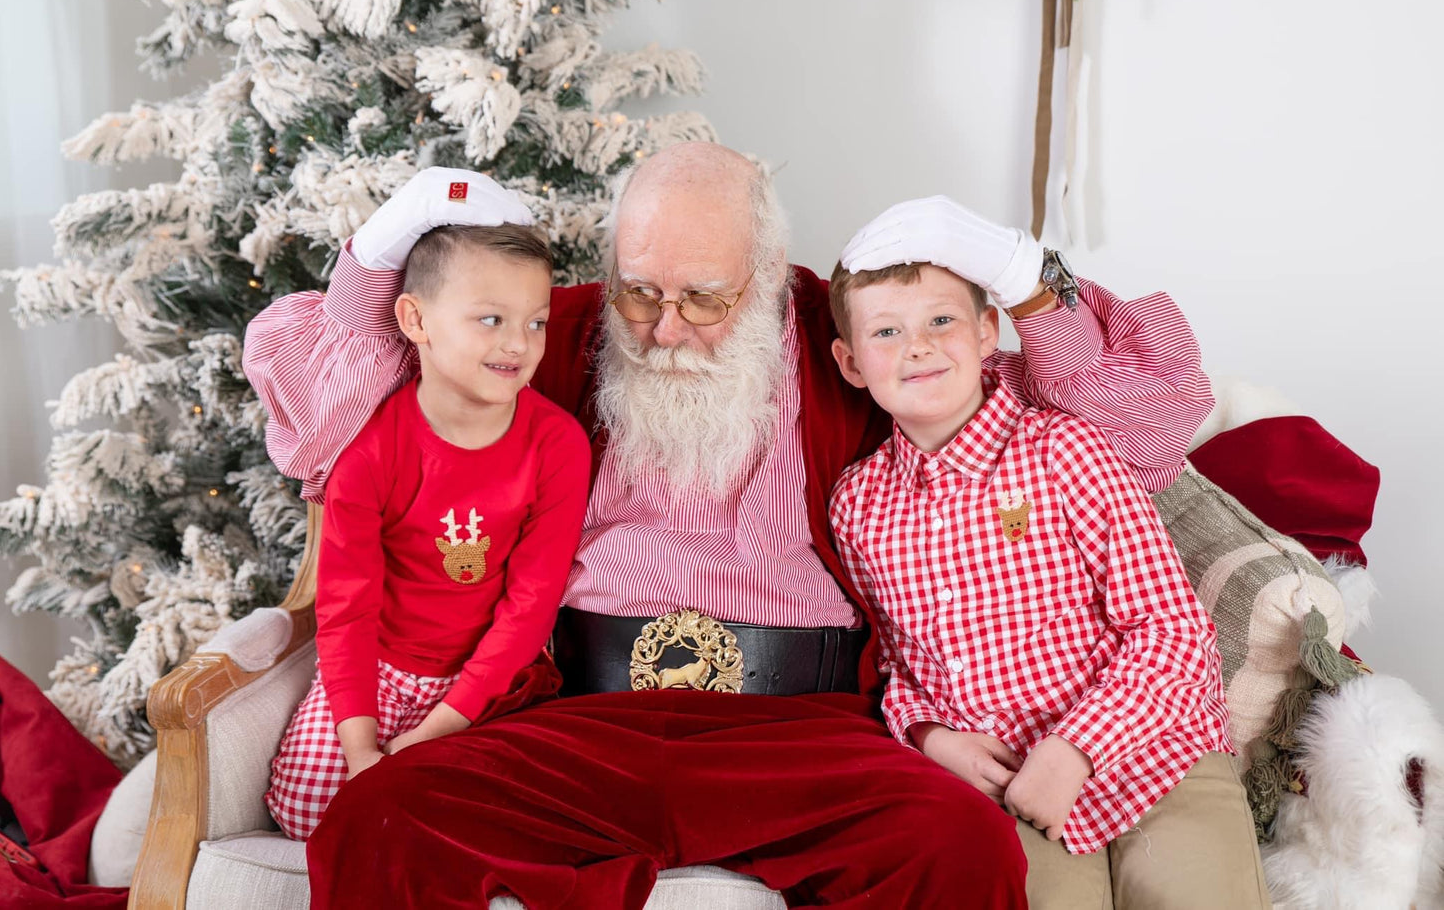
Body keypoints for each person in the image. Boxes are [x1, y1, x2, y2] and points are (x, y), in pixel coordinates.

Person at [242, 144, 1213, 908]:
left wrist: (1021, 274)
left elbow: (1128, 432)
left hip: (802, 727)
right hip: (579, 716)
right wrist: (380, 247)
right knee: (382, 819)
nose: (664, 328)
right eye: (640, 291)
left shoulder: (857, 346)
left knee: (951, 845)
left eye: (705, 298)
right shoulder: (557, 333)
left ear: (768, 278)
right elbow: (342, 426)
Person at [825, 199, 1269, 908]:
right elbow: (898, 664)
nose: (917, 346)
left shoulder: (1063, 447)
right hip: (1012, 787)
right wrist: (933, 737)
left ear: (984, 330)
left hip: (1158, 755)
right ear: (850, 364)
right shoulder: (859, 505)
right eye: (886, 331)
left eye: (941, 320)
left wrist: (1073, 749)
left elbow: (1173, 632)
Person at [262, 210, 591, 841]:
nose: (518, 344)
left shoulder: (557, 445)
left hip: (493, 684)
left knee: (476, 819)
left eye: (536, 322)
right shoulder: (371, 450)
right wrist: (360, 749)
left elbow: (530, 606)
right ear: (416, 321)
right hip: (378, 669)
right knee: (307, 809)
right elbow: (346, 607)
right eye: (490, 319)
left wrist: (439, 727)